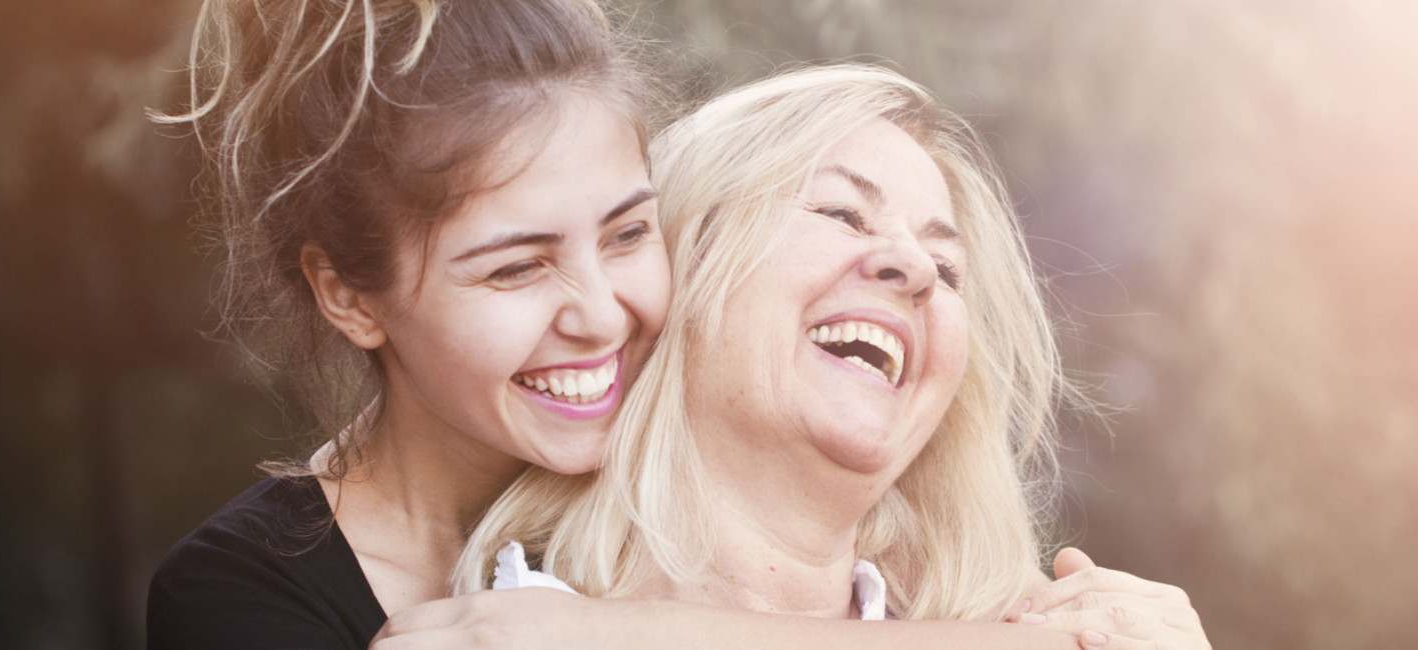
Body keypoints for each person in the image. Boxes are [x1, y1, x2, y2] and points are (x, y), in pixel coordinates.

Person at [405, 64, 1208, 649]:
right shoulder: (469, 627)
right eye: (842, 213)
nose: (917, 269)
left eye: (948, 266)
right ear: (682, 259)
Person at [146, 0, 670, 646]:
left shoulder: (718, 480)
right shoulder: (239, 594)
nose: (601, 315)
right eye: (516, 269)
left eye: (628, 234)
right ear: (350, 298)